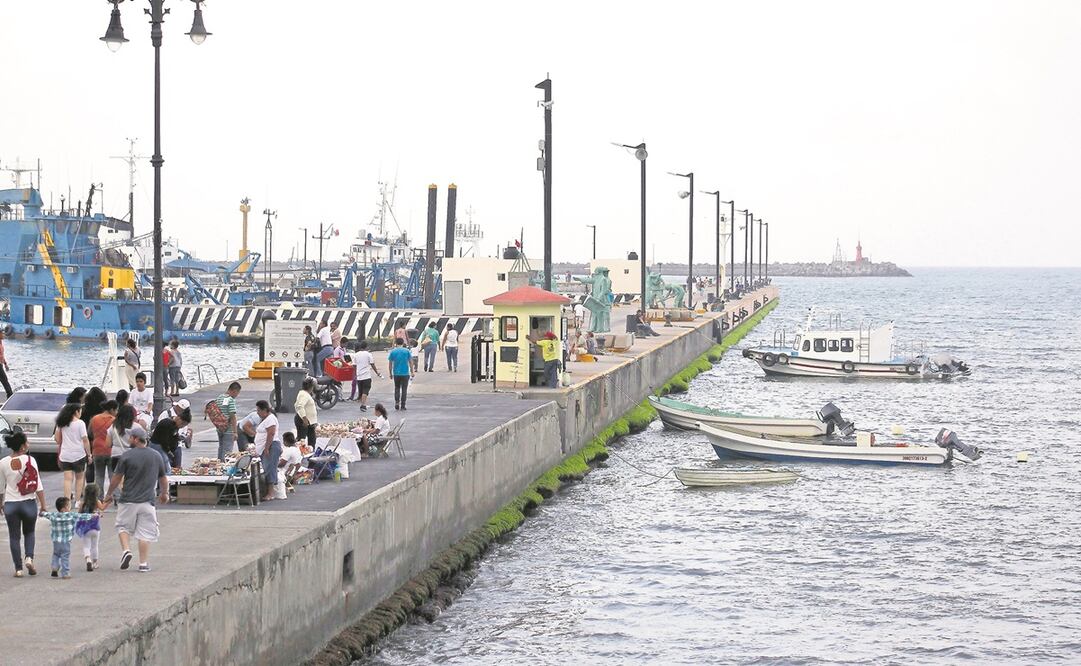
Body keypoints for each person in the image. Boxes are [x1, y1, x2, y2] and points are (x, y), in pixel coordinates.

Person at [104, 424, 169, 573]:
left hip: (128, 500)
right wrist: (164, 493)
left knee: (122, 527)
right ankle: (143, 564)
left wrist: (109, 494)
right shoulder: (156, 455)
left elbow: (116, 478)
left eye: (130, 437)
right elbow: (163, 478)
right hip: (148, 501)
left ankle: (126, 550)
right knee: (145, 533)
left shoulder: (127, 456)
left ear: (134, 439)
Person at [0, 432, 47, 577]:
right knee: (29, 532)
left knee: (14, 536)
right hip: (28, 503)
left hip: (11, 504)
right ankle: (29, 558)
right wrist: (43, 505)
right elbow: (38, 484)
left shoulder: (2, 462)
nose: (28, 444)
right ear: (22, 446)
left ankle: (18, 569)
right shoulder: (30, 460)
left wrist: (0, 504)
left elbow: (1, 487)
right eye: (27, 442)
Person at [41, 496, 98, 579]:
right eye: (69, 506)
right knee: (65, 556)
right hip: (66, 541)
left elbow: (46, 514)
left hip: (56, 541)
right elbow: (82, 516)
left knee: (56, 554)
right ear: (65, 508)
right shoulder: (71, 515)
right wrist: (93, 515)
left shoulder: (54, 515)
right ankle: (65, 572)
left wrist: (42, 513)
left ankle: (54, 567)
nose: (70, 507)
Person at [55, 402, 91, 505]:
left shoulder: (61, 423)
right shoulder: (80, 423)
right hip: (78, 454)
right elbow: (85, 440)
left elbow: (57, 440)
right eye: (80, 411)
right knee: (79, 478)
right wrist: (89, 454)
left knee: (67, 479)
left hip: (65, 455)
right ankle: (78, 501)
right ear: (76, 411)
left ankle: (67, 502)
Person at [75, 483, 109, 572]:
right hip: (95, 528)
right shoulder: (97, 502)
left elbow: (79, 514)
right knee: (95, 546)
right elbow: (102, 508)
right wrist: (108, 501)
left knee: (86, 546)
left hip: (86, 529)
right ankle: (95, 562)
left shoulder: (83, 503)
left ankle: (88, 559)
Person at [252, 401, 281, 502]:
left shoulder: (270, 419)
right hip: (266, 447)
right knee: (267, 468)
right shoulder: (266, 419)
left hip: (271, 447)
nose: (257, 412)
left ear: (264, 410)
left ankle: (271, 493)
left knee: (270, 468)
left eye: (259, 410)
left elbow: (271, 433)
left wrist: (267, 448)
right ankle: (269, 492)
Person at [89, 400, 118, 493]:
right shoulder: (114, 420)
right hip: (111, 450)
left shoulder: (94, 419)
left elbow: (90, 433)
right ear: (112, 409)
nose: (116, 412)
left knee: (98, 475)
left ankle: (99, 497)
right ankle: (116, 496)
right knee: (113, 475)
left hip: (97, 450)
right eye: (116, 410)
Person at [212, 382, 241, 461]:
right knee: (227, 452)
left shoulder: (219, 397)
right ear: (234, 391)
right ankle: (224, 469)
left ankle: (219, 466)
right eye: (237, 393)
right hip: (228, 429)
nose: (237, 395)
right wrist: (235, 432)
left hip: (219, 428)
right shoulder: (230, 400)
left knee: (221, 448)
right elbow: (233, 417)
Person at [350, 341, 380, 411]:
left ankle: (362, 402)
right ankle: (363, 405)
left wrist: (355, 374)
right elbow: (372, 364)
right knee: (366, 390)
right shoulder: (368, 354)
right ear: (367, 347)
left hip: (359, 377)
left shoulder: (356, 355)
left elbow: (354, 366)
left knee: (361, 391)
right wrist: (377, 372)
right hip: (366, 376)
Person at [274, 432, 304, 498]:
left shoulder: (288, 451)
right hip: (291, 472)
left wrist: (273, 463)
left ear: (285, 441)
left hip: (284, 471)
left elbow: (281, 464)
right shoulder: (297, 449)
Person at [293, 378, 319, 450]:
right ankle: (298, 454)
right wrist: (304, 418)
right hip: (304, 421)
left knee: (312, 439)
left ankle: (310, 453)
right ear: (311, 387)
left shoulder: (304, 394)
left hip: (309, 422)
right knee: (301, 440)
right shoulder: (304, 395)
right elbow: (299, 406)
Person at [388, 338, 412, 411]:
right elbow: (410, 362)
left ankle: (397, 402)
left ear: (396, 343)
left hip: (396, 373)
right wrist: (412, 371)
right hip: (405, 373)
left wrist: (390, 373)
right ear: (403, 343)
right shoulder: (407, 351)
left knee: (397, 388)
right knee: (404, 389)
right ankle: (403, 405)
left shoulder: (393, 352)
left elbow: (390, 363)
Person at [0, 330, 13, 398]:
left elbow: (2, 355)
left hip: (1, 365)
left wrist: (5, 364)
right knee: (5, 381)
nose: (3, 335)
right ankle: (10, 396)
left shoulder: (1, 343)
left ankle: (10, 395)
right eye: (2, 334)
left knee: (4, 381)